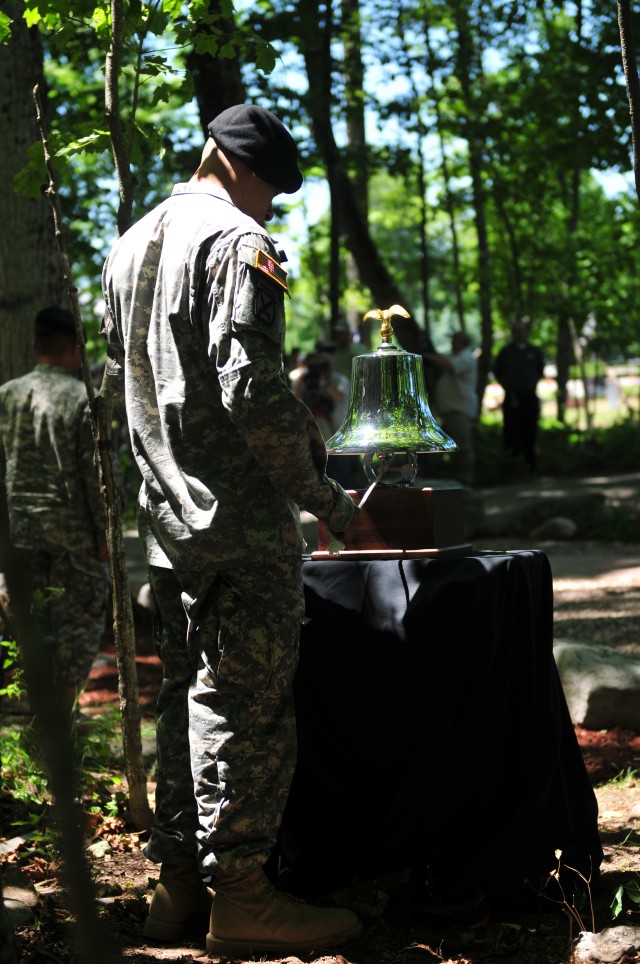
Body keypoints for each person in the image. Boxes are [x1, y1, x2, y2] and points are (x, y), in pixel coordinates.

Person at [100, 103, 361, 958]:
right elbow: (251, 387)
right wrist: (323, 494)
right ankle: (243, 895)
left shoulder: (128, 245)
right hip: (239, 527)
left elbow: (124, 385)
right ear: (238, 165)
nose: (274, 210)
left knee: (182, 703)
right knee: (244, 710)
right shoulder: (236, 244)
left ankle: (177, 890)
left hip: (167, 526)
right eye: (273, 189)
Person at [0, 307, 109, 716]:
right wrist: (104, 536)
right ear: (76, 350)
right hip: (74, 540)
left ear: (34, 347)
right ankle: (59, 722)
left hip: (20, 535)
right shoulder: (83, 400)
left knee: (25, 625)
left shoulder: (6, 395)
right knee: (76, 633)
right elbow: (96, 477)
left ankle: (25, 715)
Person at [424, 330, 479, 486]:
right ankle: (458, 476)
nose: (453, 343)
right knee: (454, 446)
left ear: (463, 343)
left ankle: (466, 477)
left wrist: (427, 356)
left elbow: (448, 365)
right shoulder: (458, 356)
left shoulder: (466, 357)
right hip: (452, 408)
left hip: (460, 408)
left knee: (463, 445)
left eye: (456, 340)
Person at [493, 318, 545, 471]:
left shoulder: (534, 352)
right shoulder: (505, 352)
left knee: (530, 429)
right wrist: (508, 385)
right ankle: (512, 464)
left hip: (529, 395)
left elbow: (539, 370)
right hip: (512, 396)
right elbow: (498, 372)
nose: (519, 334)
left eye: (522, 331)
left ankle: (530, 463)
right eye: (516, 331)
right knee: (511, 429)